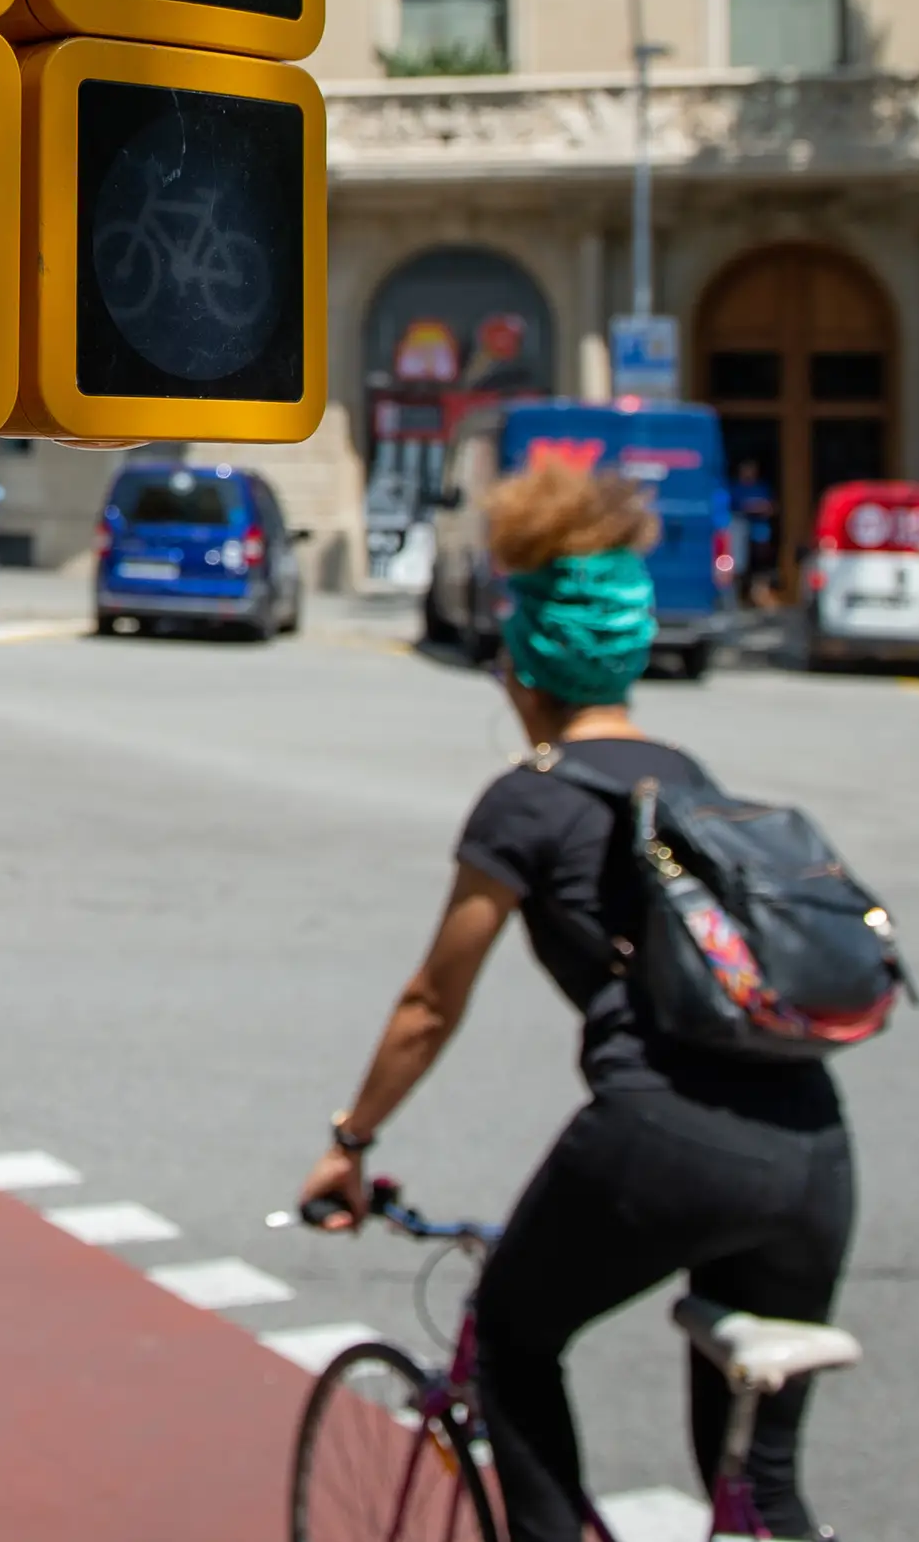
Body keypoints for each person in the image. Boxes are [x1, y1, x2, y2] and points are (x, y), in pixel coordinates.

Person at [299, 453, 856, 1542]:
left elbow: (430, 1001)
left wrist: (350, 1139)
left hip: (664, 1137)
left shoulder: (528, 804)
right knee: (753, 1478)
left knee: (510, 1340)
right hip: (815, 1149)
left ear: (519, 659)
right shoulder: (689, 780)